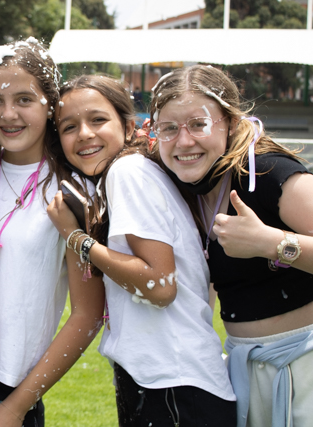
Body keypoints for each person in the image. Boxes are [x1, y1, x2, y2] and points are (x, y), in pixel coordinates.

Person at [47, 74, 236, 426]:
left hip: (174, 388)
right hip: (169, 382)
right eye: (69, 127)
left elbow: (159, 286)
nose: (85, 133)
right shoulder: (132, 172)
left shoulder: (128, 172)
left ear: (129, 125)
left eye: (98, 119)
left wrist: (76, 238)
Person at [150, 64, 313, 427]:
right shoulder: (189, 191)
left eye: (198, 124)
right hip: (242, 368)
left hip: (306, 366)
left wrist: (271, 243)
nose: (184, 141)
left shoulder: (269, 174)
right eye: (169, 128)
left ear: (232, 123)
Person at [0, 38, 105, 427]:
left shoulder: (72, 192)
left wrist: (17, 405)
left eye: (24, 99)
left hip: (8, 390)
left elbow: (88, 314)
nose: (8, 114)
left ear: (50, 104)